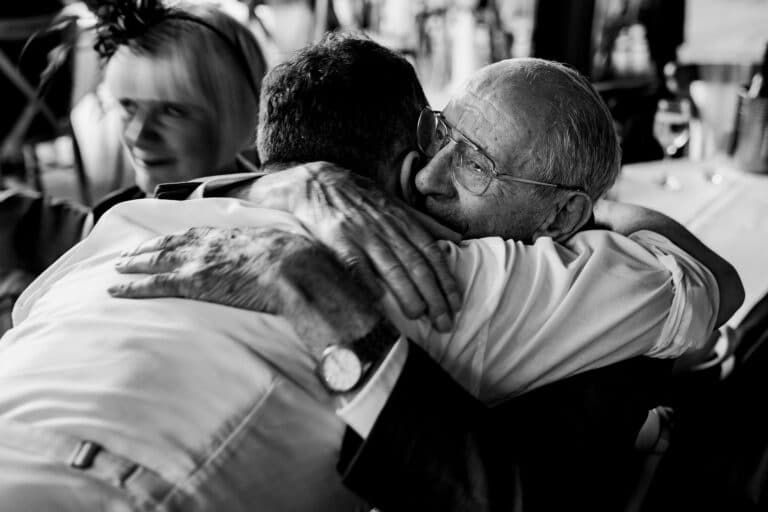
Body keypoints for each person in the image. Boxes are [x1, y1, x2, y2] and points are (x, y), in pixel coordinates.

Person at [108, 34, 742, 510]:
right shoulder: (415, 256)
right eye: (441, 134)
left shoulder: (131, 224)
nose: (428, 174)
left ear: (560, 217)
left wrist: (273, 186)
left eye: (476, 165)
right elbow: (706, 281)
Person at [0, 0, 266, 335]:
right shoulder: (125, 208)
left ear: (238, 116)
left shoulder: (265, 236)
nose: (137, 135)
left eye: (172, 111)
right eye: (127, 106)